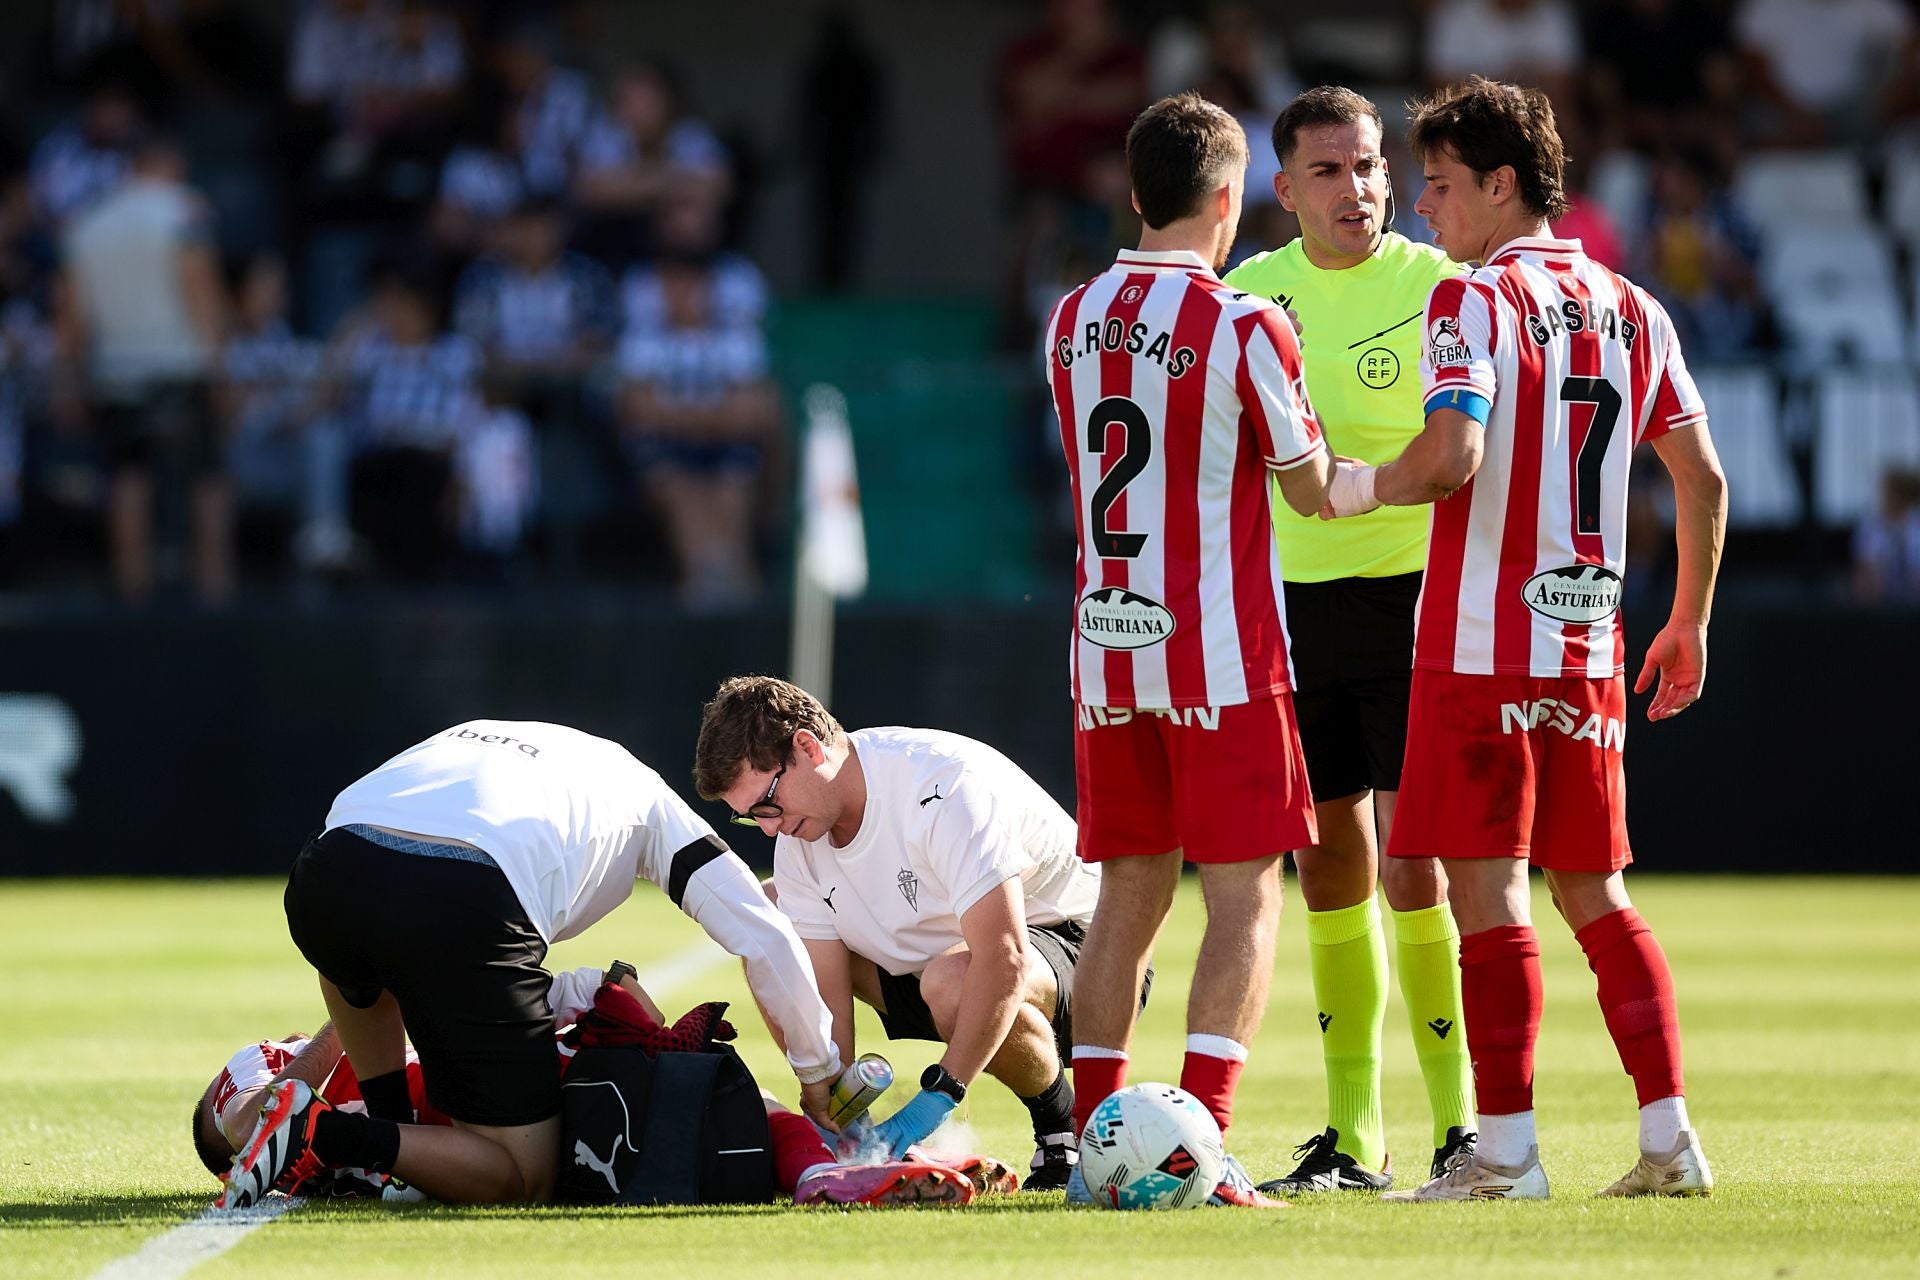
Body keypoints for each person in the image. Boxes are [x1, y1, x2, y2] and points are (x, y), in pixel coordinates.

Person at [1321, 75, 1727, 1201]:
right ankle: (1669, 1139)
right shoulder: (1634, 303)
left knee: (1488, 888)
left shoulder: (1470, 302)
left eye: (1442, 186)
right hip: (1588, 641)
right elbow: (1702, 475)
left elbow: (1450, 455)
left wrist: (1350, 490)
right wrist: (1686, 617)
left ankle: (1505, 1154)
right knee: (1597, 891)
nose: (1426, 212)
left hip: (1478, 645)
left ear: (1500, 184)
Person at [1044, 92, 1335, 1207]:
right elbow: (1308, 490)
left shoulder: (1072, 316)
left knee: (1127, 893)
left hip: (1108, 652)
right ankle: (1200, 1139)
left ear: (1133, 195)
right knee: (1245, 895)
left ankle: (1089, 1149)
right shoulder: (1248, 323)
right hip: (1220, 655)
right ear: (1230, 200)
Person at [217, 719, 850, 1210]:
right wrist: (819, 1070)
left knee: (364, 951)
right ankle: (321, 1135)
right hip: (461, 889)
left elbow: (376, 861)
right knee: (523, 1173)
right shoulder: (650, 801)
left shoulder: (493, 739)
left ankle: (389, 1143)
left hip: (326, 871)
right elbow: (763, 934)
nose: (765, 828)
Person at [1220, 85, 1476, 1195]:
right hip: (1294, 607)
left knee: (1417, 865)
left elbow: (1457, 441)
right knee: (1329, 863)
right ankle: (1352, 1135)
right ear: (1283, 191)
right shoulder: (1249, 293)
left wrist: (1351, 489)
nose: (1358, 189)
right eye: (1327, 171)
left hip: (1420, 601)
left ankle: (1464, 1129)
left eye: (1370, 166)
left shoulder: (1437, 285)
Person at [692, 675, 1113, 1192]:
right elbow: (822, 1001)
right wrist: (838, 1106)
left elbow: (1003, 957)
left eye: (767, 805)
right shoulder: (799, 838)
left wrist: (934, 1100)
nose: (769, 828)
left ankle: (1060, 1129)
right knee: (771, 915)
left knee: (952, 981)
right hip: (939, 962)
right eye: (750, 818)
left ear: (806, 747)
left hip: (1085, 953)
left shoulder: (941, 784)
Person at [196, 969, 991, 1209]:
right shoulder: (262, 1074)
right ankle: (832, 1166)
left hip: (467, 1122)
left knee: (695, 1109)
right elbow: (233, 1122)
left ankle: (841, 1163)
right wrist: (372, 990)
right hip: (470, 1097)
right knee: (716, 1096)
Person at [55, 130, 230, 606]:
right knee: (206, 482)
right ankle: (215, 595)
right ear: (167, 161)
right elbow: (203, 295)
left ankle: (133, 592)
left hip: (115, 372)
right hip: (181, 367)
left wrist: (67, 381)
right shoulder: (184, 211)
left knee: (129, 480)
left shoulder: (87, 221)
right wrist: (221, 366)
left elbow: (70, 317)